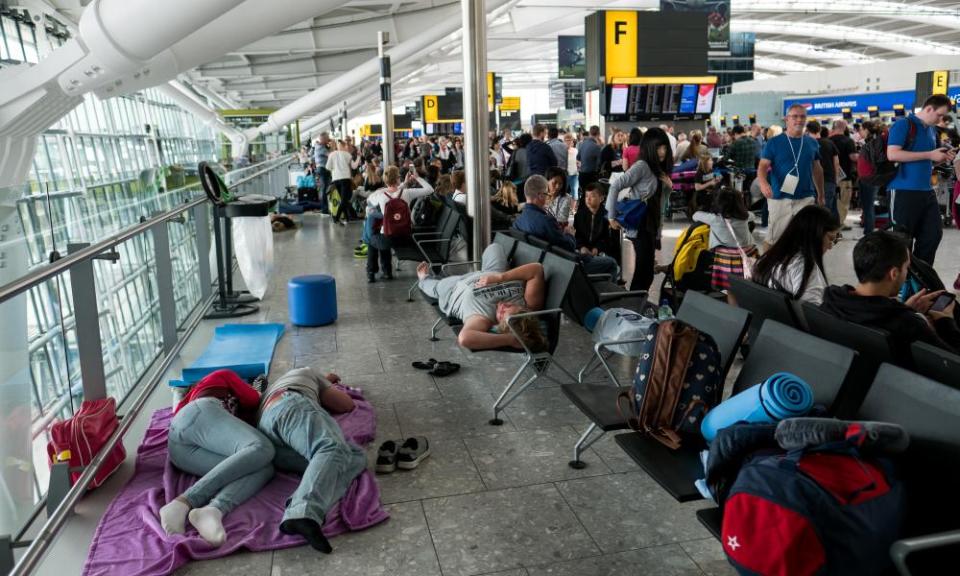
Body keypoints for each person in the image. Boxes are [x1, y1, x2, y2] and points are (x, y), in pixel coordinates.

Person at [159, 370, 274, 547]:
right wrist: (257, 390)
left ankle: (213, 510)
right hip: (198, 413)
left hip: (179, 451)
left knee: (263, 466)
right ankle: (184, 501)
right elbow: (253, 398)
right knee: (261, 447)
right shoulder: (222, 375)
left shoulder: (216, 416)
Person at [256, 367, 364, 554]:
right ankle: (302, 513)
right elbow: (345, 405)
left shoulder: (279, 385)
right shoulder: (308, 372)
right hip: (289, 406)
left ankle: (306, 509)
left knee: (353, 456)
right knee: (332, 447)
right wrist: (329, 386)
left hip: (268, 435)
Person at [820, 231, 960, 359]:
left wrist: (904, 309)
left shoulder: (832, 301)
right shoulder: (909, 325)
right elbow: (952, 362)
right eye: (906, 267)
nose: (906, 273)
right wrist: (945, 321)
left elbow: (877, 313)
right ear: (894, 273)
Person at [416, 243, 548, 352]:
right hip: (492, 273)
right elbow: (536, 270)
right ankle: (491, 272)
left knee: (434, 287)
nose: (502, 306)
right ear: (522, 309)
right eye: (509, 306)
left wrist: (511, 339)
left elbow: (465, 338)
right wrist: (500, 277)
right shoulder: (530, 304)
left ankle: (424, 278)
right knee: (495, 247)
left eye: (501, 314)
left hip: (454, 288)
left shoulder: (483, 318)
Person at [886, 93, 957, 265]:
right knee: (902, 241)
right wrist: (929, 154)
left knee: (932, 235)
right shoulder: (904, 125)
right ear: (929, 108)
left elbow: (925, 160)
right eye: (939, 115)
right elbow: (892, 154)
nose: (941, 119)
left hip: (926, 191)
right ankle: (903, 284)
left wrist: (938, 159)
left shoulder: (932, 130)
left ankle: (920, 279)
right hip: (903, 190)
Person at [606, 127, 673, 292]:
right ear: (650, 147)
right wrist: (611, 216)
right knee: (644, 272)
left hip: (651, 224)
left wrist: (668, 188)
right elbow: (615, 185)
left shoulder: (659, 168)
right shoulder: (642, 166)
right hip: (641, 224)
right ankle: (634, 307)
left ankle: (637, 305)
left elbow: (661, 203)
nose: (663, 151)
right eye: (659, 147)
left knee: (647, 271)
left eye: (664, 147)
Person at [514, 174, 619, 279]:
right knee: (612, 264)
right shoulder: (546, 221)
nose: (547, 198)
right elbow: (568, 247)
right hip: (565, 267)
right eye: (547, 194)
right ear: (541, 195)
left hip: (541, 263)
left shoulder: (518, 221)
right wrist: (570, 234)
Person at [756, 104, 824, 247]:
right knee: (774, 239)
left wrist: (821, 194)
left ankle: (799, 268)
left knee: (805, 240)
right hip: (780, 198)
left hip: (806, 198)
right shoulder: (774, 142)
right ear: (787, 119)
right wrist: (763, 183)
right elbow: (763, 166)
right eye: (795, 116)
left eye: (802, 116)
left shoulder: (812, 143)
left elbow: (817, 169)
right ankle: (766, 268)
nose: (799, 120)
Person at [751, 205, 840, 305]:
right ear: (815, 235)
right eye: (830, 239)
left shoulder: (766, 258)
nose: (830, 247)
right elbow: (812, 313)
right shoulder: (804, 269)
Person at [364, 166, 434, 282]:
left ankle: (372, 272)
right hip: (406, 237)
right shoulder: (407, 193)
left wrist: (387, 189)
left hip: (388, 238)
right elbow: (430, 189)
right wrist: (416, 178)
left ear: (385, 180)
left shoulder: (380, 196)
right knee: (380, 235)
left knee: (373, 239)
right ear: (398, 179)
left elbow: (369, 201)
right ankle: (386, 272)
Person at [693, 188, 757, 294]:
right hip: (748, 257)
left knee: (731, 290)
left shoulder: (714, 219)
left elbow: (695, 215)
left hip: (727, 261)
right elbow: (752, 215)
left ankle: (733, 308)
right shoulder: (745, 217)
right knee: (747, 290)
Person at [574, 183, 619, 279]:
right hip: (583, 252)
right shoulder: (579, 215)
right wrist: (582, 247)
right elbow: (577, 236)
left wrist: (597, 248)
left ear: (601, 198)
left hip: (601, 252)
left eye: (592, 196)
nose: (588, 199)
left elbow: (610, 240)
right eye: (586, 196)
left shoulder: (608, 217)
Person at [807, 121, 840, 226]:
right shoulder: (829, 143)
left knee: (818, 210)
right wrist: (836, 180)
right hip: (829, 180)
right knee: (830, 208)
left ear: (807, 131)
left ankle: (821, 233)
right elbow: (836, 164)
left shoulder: (807, 144)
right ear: (819, 130)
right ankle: (834, 231)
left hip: (812, 181)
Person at [829, 120, 858, 231]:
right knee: (843, 201)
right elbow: (853, 157)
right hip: (844, 177)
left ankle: (833, 223)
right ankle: (839, 224)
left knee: (833, 202)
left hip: (831, 177)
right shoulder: (848, 141)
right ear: (845, 127)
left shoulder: (828, 140)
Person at [856, 121, 884, 234]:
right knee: (867, 205)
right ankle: (868, 231)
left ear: (866, 130)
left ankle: (868, 233)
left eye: (861, 129)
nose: (860, 132)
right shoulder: (874, 142)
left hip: (870, 178)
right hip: (870, 177)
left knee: (868, 206)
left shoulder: (872, 143)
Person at [326, 140, 356, 226]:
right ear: (344, 146)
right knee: (344, 200)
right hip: (345, 178)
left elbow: (328, 167)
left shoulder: (332, 154)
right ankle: (336, 217)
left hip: (336, 179)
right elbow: (354, 166)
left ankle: (347, 218)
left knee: (344, 200)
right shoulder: (347, 154)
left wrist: (334, 168)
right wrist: (358, 158)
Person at [577, 125, 603, 196]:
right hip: (591, 176)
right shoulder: (597, 147)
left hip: (582, 174)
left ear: (589, 133)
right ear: (598, 134)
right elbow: (599, 163)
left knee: (583, 196)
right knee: (591, 196)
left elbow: (578, 157)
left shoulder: (581, 144)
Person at [564, 132, 580, 203]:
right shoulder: (563, 150)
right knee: (563, 192)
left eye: (570, 140)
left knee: (574, 192)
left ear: (572, 141)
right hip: (565, 174)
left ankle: (572, 211)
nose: (568, 142)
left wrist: (579, 164)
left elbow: (578, 161)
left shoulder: (576, 150)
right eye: (567, 140)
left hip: (574, 174)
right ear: (564, 141)